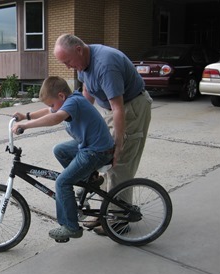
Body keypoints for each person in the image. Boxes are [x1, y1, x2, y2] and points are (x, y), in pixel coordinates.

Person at [54, 34, 153, 235]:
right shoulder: (83, 65)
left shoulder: (105, 64)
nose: (67, 67)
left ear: (79, 50)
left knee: (119, 165)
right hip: (113, 110)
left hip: (130, 108)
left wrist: (117, 145)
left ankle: (118, 222)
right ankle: (105, 213)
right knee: (105, 164)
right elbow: (86, 99)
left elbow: (118, 108)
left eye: (68, 61)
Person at [12, 76, 114, 241]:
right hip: (90, 146)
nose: (51, 108)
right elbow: (49, 112)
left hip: (97, 151)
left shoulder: (73, 102)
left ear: (61, 96)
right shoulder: (68, 100)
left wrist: (25, 126)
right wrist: (26, 116)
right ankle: (90, 179)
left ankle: (71, 227)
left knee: (62, 182)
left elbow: (55, 118)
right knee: (60, 150)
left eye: (52, 104)